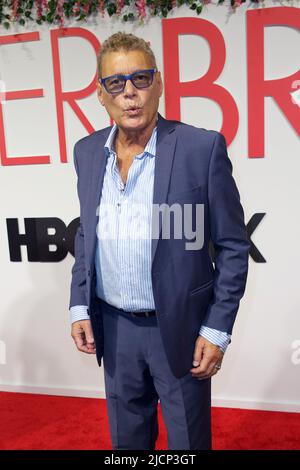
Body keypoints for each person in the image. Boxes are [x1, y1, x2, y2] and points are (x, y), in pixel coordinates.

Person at [69, 31, 250, 450]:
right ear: (101, 94)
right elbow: (86, 234)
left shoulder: (200, 148)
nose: (130, 93)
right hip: (113, 329)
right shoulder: (87, 152)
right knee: (127, 443)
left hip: (181, 329)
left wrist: (217, 328)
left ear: (160, 83)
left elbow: (233, 246)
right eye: (116, 83)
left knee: (187, 443)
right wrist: (80, 302)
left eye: (141, 79)